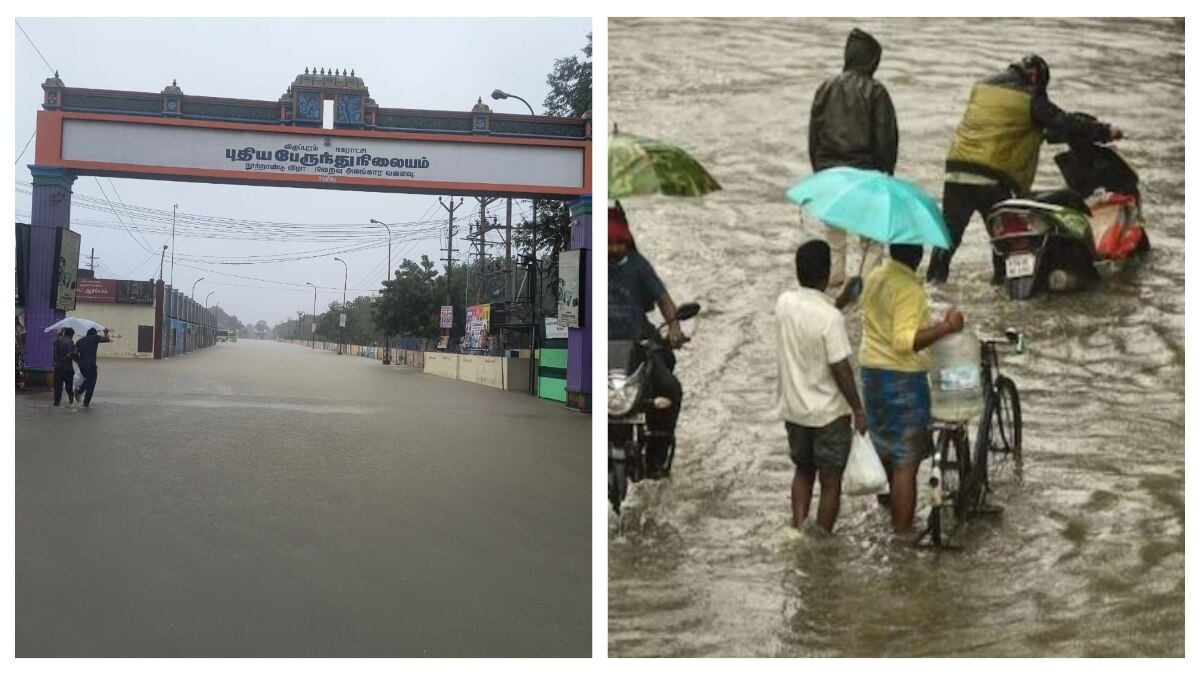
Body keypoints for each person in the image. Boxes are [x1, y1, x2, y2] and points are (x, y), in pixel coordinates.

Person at [928, 54, 1123, 284]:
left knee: (948, 236)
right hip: (993, 177)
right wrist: (1104, 131)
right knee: (1006, 239)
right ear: (1034, 77)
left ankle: (933, 283)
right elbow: (1062, 121)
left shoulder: (982, 88)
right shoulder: (1030, 96)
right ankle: (1002, 285)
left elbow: (1007, 126)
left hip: (957, 171)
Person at [860, 244, 964, 535]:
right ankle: (901, 538)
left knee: (885, 451)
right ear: (918, 257)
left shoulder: (874, 276)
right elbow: (905, 342)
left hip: (871, 375)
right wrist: (946, 327)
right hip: (901, 379)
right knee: (906, 462)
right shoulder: (908, 288)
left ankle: (887, 516)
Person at [775, 240, 866, 532]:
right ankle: (822, 538)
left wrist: (842, 301)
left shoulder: (784, 303)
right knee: (830, 480)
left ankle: (799, 528)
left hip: (795, 410)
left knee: (803, 471)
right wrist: (858, 408)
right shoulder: (831, 319)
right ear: (826, 274)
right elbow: (841, 368)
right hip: (828, 414)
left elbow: (812, 315)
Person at [808, 27, 898, 288]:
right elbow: (886, 139)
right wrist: (886, 174)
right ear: (872, 60)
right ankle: (865, 284)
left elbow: (814, 136)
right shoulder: (876, 91)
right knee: (871, 239)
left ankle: (834, 278)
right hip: (865, 175)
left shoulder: (825, 87)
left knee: (835, 239)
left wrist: (820, 171)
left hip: (829, 175)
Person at [608, 205, 684, 477]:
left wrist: (674, 326)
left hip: (638, 347)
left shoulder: (638, 265)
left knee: (671, 389)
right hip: (604, 353)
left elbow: (663, 298)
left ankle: (656, 457)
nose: (615, 249)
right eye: (609, 242)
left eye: (619, 242)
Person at [72, 327, 111, 408]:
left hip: (82, 367)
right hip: (91, 366)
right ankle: (85, 405)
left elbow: (74, 353)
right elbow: (107, 339)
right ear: (94, 333)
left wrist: (79, 362)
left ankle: (79, 392)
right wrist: (106, 332)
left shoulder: (79, 341)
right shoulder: (95, 338)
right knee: (91, 385)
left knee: (88, 380)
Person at [51, 327, 76, 406]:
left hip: (58, 367)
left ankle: (56, 403)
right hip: (67, 367)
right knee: (69, 386)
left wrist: (59, 333)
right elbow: (70, 354)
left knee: (57, 386)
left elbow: (53, 342)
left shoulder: (58, 340)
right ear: (71, 335)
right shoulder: (70, 341)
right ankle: (71, 398)